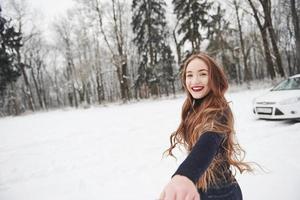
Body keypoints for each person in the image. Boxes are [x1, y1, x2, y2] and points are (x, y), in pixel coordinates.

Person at [159, 52, 253, 200]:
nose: (195, 80)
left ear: (213, 78)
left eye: (202, 74)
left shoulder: (219, 110)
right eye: (189, 75)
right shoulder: (194, 107)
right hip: (199, 187)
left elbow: (209, 140)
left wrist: (185, 175)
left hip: (221, 192)